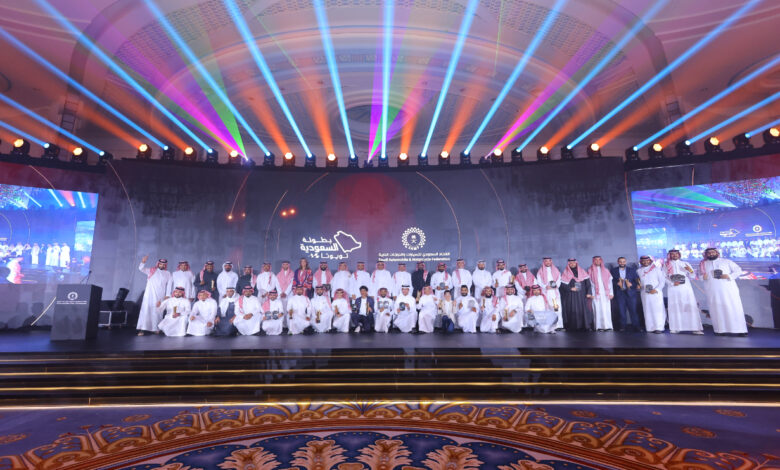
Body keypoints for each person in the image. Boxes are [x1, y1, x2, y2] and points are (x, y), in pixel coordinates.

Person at [699, 247, 748, 335]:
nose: (711, 254)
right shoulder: (703, 264)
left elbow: (738, 270)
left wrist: (729, 276)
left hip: (728, 290)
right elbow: (699, 276)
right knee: (716, 309)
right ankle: (720, 330)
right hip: (712, 290)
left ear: (717, 253)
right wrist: (702, 277)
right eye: (709, 253)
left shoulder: (726, 261)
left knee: (733, 308)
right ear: (706, 254)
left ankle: (740, 330)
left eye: (713, 252)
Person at [665, 250, 704, 335]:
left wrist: (690, 271)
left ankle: (695, 328)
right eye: (672, 254)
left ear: (679, 255)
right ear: (669, 255)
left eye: (676, 254)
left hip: (685, 288)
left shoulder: (685, 263)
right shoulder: (666, 265)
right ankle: (676, 328)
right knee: (675, 307)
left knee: (689, 306)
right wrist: (672, 283)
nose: (674, 255)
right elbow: (664, 277)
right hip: (673, 288)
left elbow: (692, 276)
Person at [137, 256, 172, 336]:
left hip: (160, 295)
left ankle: (156, 328)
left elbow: (169, 285)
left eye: (164, 264)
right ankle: (142, 329)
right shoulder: (151, 270)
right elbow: (141, 269)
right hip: (149, 294)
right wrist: (143, 262)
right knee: (146, 310)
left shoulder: (168, 273)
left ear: (165, 265)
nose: (162, 265)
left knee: (157, 311)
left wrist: (167, 295)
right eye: (161, 264)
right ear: (158, 264)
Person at [559, 258, 593, 331]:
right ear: (568, 264)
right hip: (571, 295)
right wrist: (570, 288)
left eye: (573, 263)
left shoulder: (582, 271)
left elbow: (588, 284)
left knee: (582, 309)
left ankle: (585, 326)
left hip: (582, 294)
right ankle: (573, 327)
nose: (572, 264)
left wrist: (589, 293)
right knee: (572, 309)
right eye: (570, 263)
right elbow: (562, 285)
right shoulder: (565, 273)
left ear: (576, 263)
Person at [610, 257, 641, 332]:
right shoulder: (613, 270)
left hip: (631, 293)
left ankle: (636, 326)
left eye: (623, 261)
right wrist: (616, 283)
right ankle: (622, 326)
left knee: (633, 311)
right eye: (620, 261)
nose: (622, 263)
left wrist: (632, 285)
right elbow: (611, 281)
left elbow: (637, 281)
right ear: (618, 262)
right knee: (621, 311)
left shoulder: (632, 270)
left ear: (626, 262)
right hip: (620, 293)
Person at [637, 255, 666, 333]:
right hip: (645, 293)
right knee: (647, 310)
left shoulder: (656, 269)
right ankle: (650, 328)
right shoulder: (639, 271)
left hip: (656, 293)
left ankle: (659, 327)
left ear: (650, 261)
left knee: (658, 310)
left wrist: (656, 290)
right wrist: (639, 287)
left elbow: (662, 281)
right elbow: (639, 282)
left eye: (647, 260)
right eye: (643, 261)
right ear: (640, 262)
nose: (645, 262)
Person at [536, 257, 563, 329]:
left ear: (551, 262)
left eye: (549, 261)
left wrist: (555, 286)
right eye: (546, 261)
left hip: (554, 292)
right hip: (546, 292)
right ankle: (548, 326)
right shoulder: (540, 271)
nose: (548, 262)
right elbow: (539, 281)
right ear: (544, 262)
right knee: (547, 308)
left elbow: (559, 280)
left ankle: (558, 325)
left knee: (557, 308)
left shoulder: (556, 270)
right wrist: (545, 286)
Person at [587, 256, 614, 332]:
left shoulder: (606, 270)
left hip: (606, 294)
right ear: (593, 261)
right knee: (597, 310)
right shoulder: (590, 271)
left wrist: (611, 293)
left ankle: (608, 326)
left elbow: (610, 283)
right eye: (596, 260)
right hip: (595, 294)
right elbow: (588, 284)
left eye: (599, 260)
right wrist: (590, 294)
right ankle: (599, 327)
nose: (598, 261)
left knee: (606, 310)